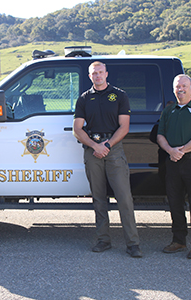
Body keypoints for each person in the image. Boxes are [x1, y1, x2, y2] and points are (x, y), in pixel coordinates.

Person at [73, 61, 142, 258]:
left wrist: (107, 146)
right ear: (90, 76)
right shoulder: (84, 99)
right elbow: (77, 128)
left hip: (114, 149)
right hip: (93, 150)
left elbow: (124, 127)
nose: (98, 76)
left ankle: (133, 243)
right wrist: (95, 146)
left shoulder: (119, 96)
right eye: (94, 73)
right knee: (98, 197)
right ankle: (103, 240)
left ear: (106, 74)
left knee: (124, 197)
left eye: (100, 72)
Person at [157, 74, 191, 259]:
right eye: (177, 86)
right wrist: (171, 151)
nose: (181, 89)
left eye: (184, 86)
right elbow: (160, 135)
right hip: (172, 163)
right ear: (174, 89)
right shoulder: (168, 111)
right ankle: (178, 240)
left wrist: (182, 151)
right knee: (175, 203)